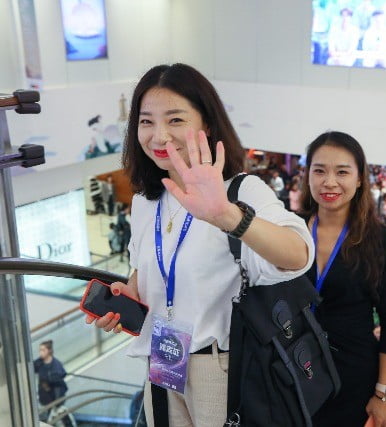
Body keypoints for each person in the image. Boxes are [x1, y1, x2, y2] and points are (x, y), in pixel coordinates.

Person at [85, 63, 313, 426]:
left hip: (217, 362)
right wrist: (128, 293)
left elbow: (298, 255)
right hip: (163, 351)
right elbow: (148, 269)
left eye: (175, 120)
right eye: (146, 121)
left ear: (206, 125)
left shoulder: (240, 190)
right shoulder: (147, 200)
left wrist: (228, 216)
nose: (159, 136)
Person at [300, 131, 386, 427]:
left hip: (351, 378)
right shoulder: (290, 228)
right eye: (319, 170)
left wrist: (382, 394)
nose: (329, 182)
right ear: (308, 176)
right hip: (292, 369)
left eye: (342, 172)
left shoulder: (378, 240)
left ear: (359, 179)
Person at [33, 340, 68, 421]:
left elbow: (61, 376)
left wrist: (48, 380)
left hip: (56, 398)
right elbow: (31, 367)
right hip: (45, 398)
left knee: (58, 417)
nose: (40, 353)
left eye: (43, 350)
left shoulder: (56, 365)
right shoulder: (39, 363)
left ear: (49, 351)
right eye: (40, 350)